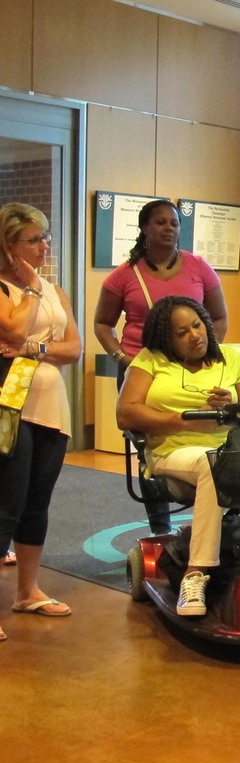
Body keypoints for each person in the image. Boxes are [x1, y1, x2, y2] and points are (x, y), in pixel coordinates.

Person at [116, 295, 240, 616]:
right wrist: (185, 420)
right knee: (213, 463)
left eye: (197, 325)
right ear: (165, 339)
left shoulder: (232, 358)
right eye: (182, 333)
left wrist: (234, 406)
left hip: (232, 448)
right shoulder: (150, 361)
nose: (195, 335)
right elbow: (126, 414)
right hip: (173, 450)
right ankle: (195, 573)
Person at [94, 199, 229, 534]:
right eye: (160, 222)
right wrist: (121, 358)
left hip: (194, 368)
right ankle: (161, 531)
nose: (169, 228)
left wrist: (206, 354)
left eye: (174, 222)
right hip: (142, 372)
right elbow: (102, 324)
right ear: (144, 228)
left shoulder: (199, 267)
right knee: (150, 449)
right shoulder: (123, 276)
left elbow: (219, 317)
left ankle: (222, 522)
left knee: (205, 433)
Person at [0, 203, 82, 640]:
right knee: (6, 502)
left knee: (37, 500)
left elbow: (74, 349)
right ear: (8, 244)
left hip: (51, 405)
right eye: (33, 240)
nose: (44, 246)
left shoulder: (55, 291)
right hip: (10, 406)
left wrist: (36, 348)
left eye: (45, 237)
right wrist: (30, 290)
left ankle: (27, 591)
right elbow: (13, 331)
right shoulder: (13, 288)